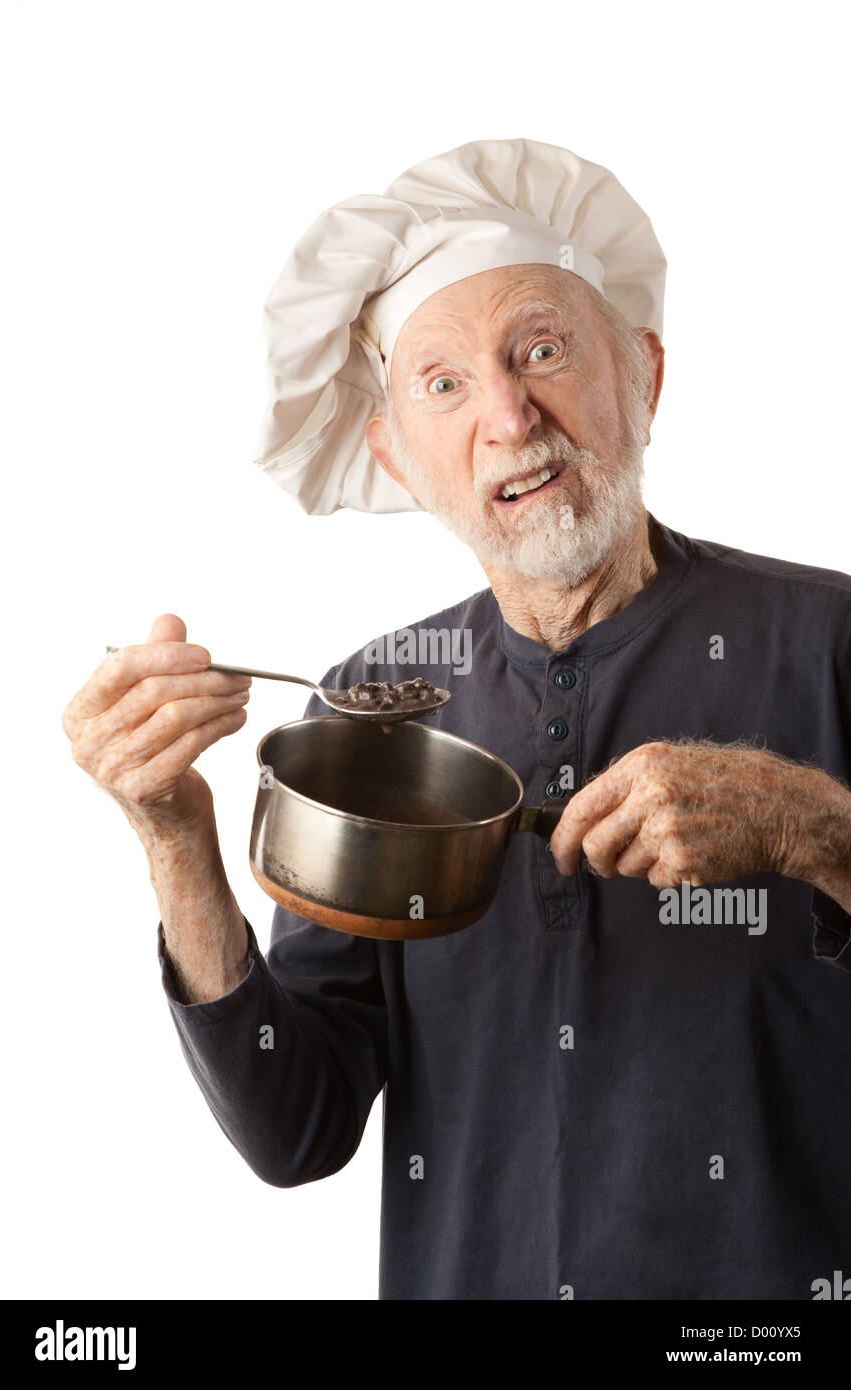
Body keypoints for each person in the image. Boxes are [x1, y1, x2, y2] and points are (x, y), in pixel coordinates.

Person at [62, 139, 851, 1300]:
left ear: (642, 375)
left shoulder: (826, 641)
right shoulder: (366, 712)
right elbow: (297, 1127)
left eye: (540, 349)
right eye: (442, 384)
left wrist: (812, 828)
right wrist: (176, 839)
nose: (507, 415)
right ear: (395, 452)